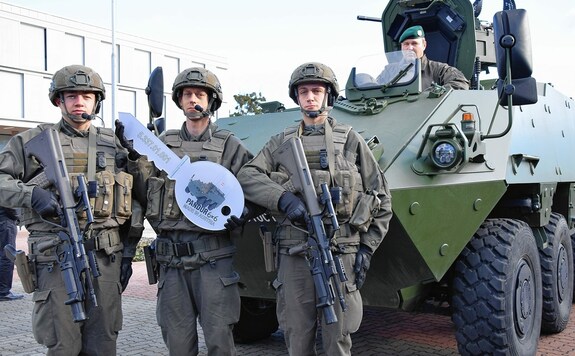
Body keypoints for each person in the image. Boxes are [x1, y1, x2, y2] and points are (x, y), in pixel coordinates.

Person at [237, 62, 393, 356]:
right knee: (297, 335)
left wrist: (367, 249)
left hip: (341, 252)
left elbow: (382, 197)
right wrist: (283, 199)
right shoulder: (281, 142)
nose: (310, 97)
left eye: (317, 91)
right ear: (296, 97)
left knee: (338, 334)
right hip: (294, 253)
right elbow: (248, 176)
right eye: (304, 91)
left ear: (328, 97)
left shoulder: (349, 139)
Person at [0, 64, 136, 355]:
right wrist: (32, 194)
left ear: (96, 101)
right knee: (63, 343)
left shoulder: (114, 143)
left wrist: (138, 158)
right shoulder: (30, 142)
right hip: (54, 257)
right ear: (58, 100)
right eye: (71, 95)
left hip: (104, 258)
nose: (79, 102)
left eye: (86, 96)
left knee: (103, 342)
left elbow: (141, 195)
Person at [120, 67, 254, 356]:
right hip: (171, 262)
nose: (193, 99)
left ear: (212, 101)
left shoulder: (229, 145)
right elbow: (143, 191)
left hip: (213, 260)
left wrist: (247, 211)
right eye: (187, 94)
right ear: (179, 101)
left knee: (220, 340)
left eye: (200, 94)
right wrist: (134, 158)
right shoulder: (163, 144)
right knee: (178, 343)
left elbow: (253, 184)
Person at [377, 25, 469, 90]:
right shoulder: (389, 70)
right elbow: (373, 88)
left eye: (414, 43)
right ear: (401, 47)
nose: (410, 48)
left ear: (424, 45)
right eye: (406, 44)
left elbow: (460, 84)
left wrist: (433, 94)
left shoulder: (439, 70)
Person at [0, 207, 23, 301]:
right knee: (7, 255)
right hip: (5, 221)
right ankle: (3, 291)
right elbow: (10, 205)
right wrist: (18, 216)